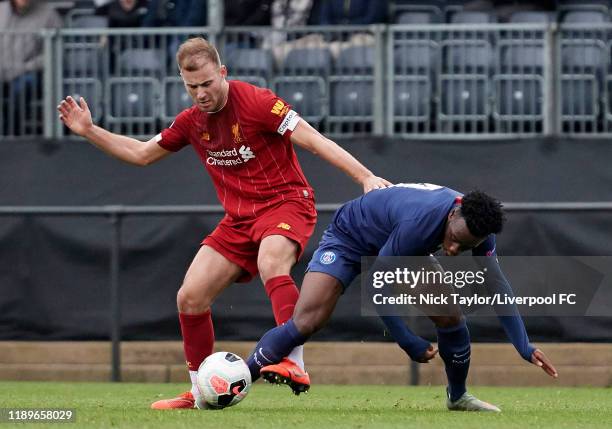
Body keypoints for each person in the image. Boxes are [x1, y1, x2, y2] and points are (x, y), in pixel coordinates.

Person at [57, 37, 390, 410]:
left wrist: (365, 177)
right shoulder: (190, 122)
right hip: (239, 220)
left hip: (286, 203)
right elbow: (140, 154)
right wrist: (88, 130)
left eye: (207, 84)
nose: (200, 93)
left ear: (223, 73)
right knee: (190, 296)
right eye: (191, 86)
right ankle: (201, 390)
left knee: (271, 262)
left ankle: (293, 362)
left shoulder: (260, 102)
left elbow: (314, 141)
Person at [247, 183, 558, 411]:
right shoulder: (421, 222)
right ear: (452, 215)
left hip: (401, 248)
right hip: (350, 238)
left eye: (463, 248)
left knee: (450, 316)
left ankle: (458, 396)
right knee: (306, 322)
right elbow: (377, 284)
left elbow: (497, 284)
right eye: (452, 241)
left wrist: (523, 345)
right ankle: (240, 378)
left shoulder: (480, 227)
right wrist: (407, 340)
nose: (452, 250)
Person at [0, 0, 62, 136]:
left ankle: (10, 135)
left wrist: (26, 67)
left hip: (28, 72)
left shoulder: (49, 14)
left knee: (23, 87)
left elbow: (54, 52)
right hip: (2, 70)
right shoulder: (1, 9)